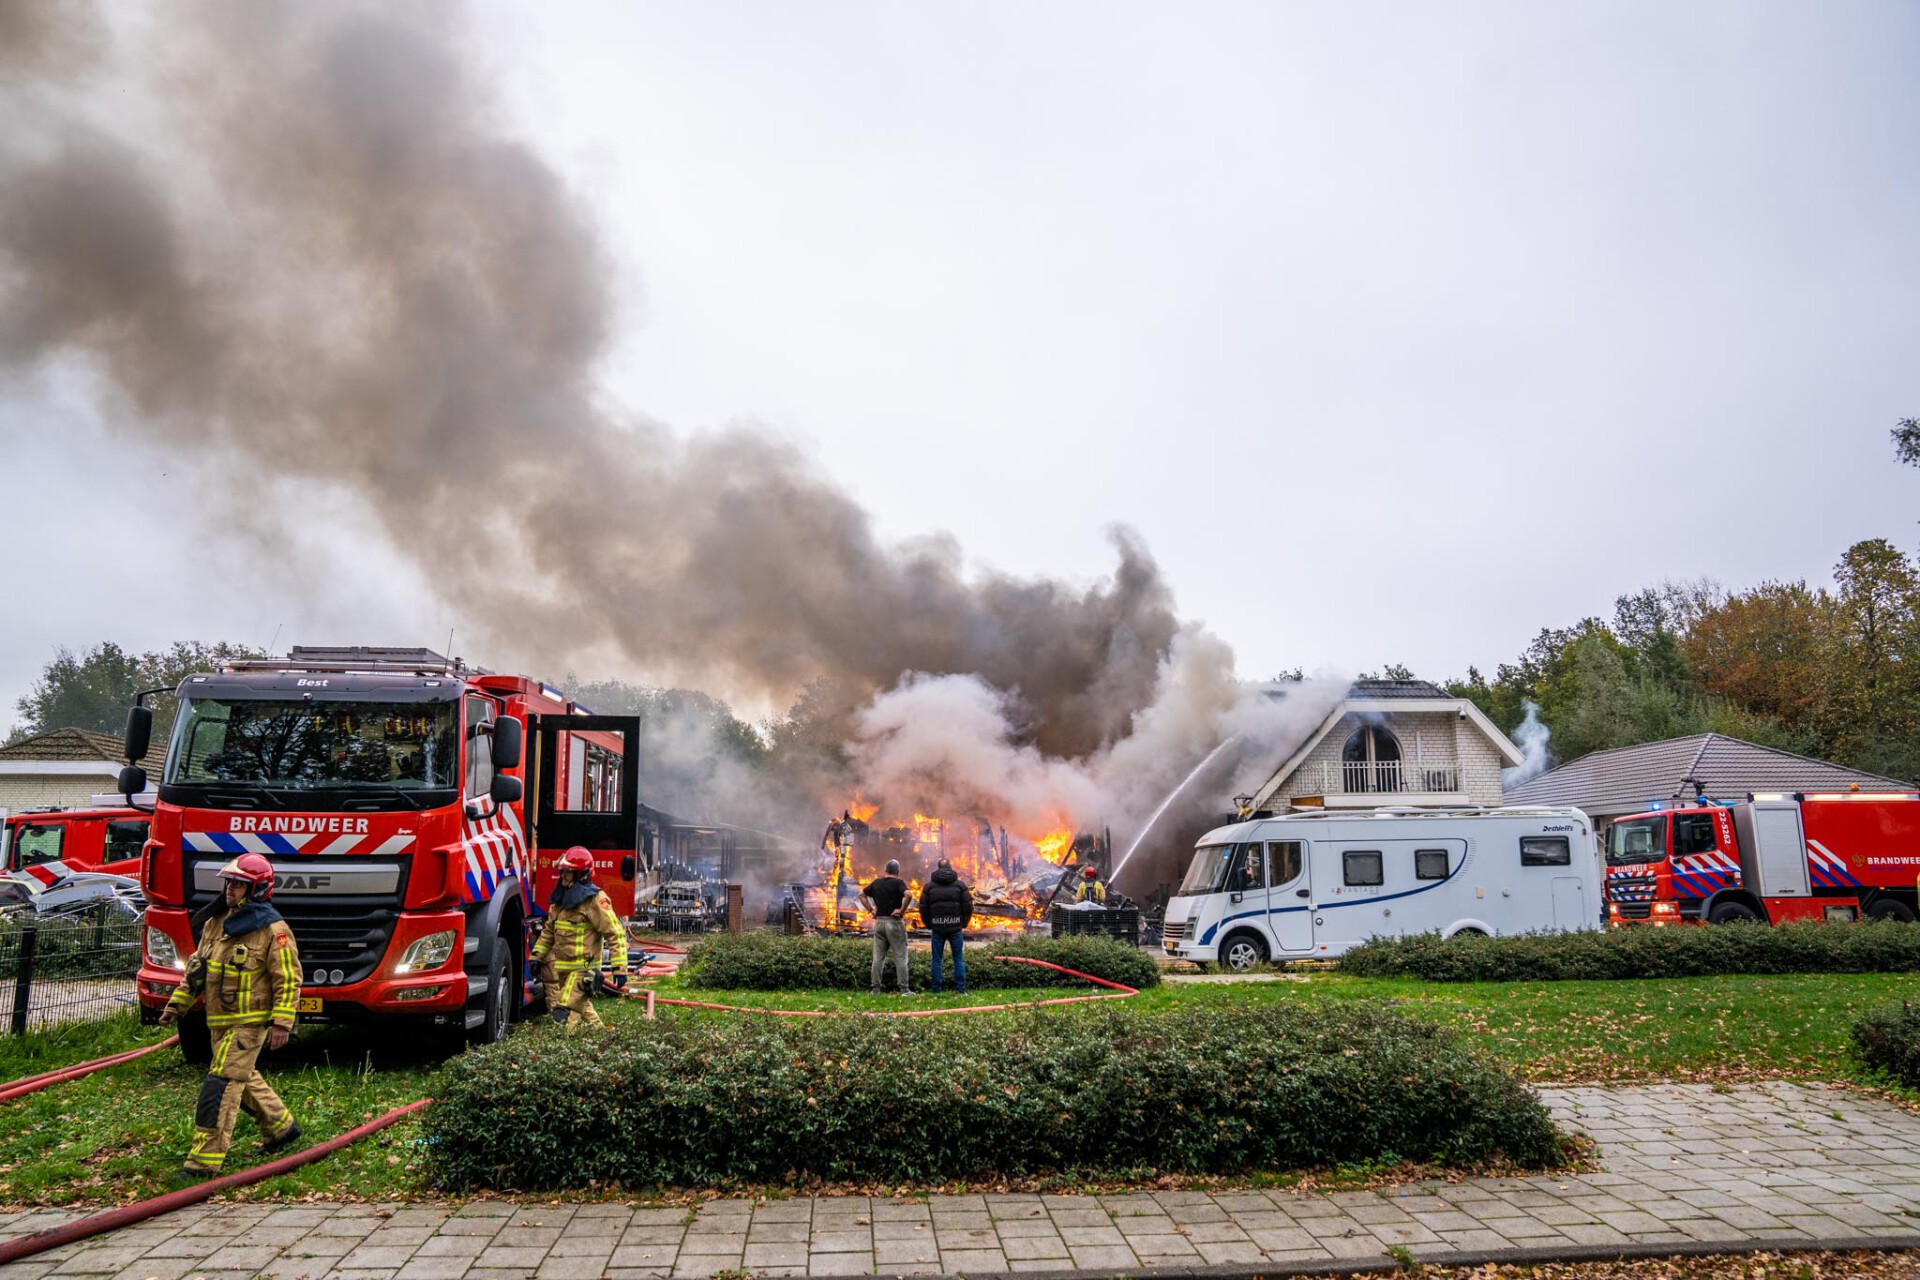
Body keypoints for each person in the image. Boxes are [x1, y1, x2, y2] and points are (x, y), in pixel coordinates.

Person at [159, 852, 301, 1181]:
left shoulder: (273, 930)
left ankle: (203, 1161)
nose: (230, 890)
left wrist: (281, 1023)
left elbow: (289, 979)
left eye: (239, 885)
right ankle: (282, 1128)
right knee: (242, 1076)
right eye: (229, 883)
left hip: (248, 1025)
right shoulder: (215, 923)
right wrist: (175, 1006)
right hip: (218, 1023)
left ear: (258, 889)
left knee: (221, 1085)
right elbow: (196, 969)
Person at [531, 846, 627, 1033]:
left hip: (585, 969)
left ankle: (563, 1046)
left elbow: (615, 933)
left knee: (564, 1011)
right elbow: (549, 932)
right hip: (563, 969)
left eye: (569, 872)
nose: (564, 876)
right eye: (564, 871)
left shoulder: (595, 900)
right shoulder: (559, 901)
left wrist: (619, 967)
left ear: (581, 874)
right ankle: (603, 1037)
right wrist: (537, 956)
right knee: (584, 1010)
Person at [918, 857, 973, 995]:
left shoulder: (929, 886)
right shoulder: (960, 886)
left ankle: (936, 990)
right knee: (958, 960)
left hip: (937, 928)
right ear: (950, 867)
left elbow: (923, 908)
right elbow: (968, 907)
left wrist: (929, 924)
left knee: (936, 960)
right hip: (955, 928)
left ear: (938, 868)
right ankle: (961, 990)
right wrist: (963, 923)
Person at [860, 859, 913, 995]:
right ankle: (904, 989)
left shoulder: (877, 883)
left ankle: (875, 989)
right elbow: (909, 894)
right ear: (897, 871)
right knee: (900, 957)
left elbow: (862, 895)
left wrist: (871, 910)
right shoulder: (899, 883)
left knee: (878, 958)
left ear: (886, 870)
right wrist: (901, 910)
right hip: (894, 923)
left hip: (879, 924)